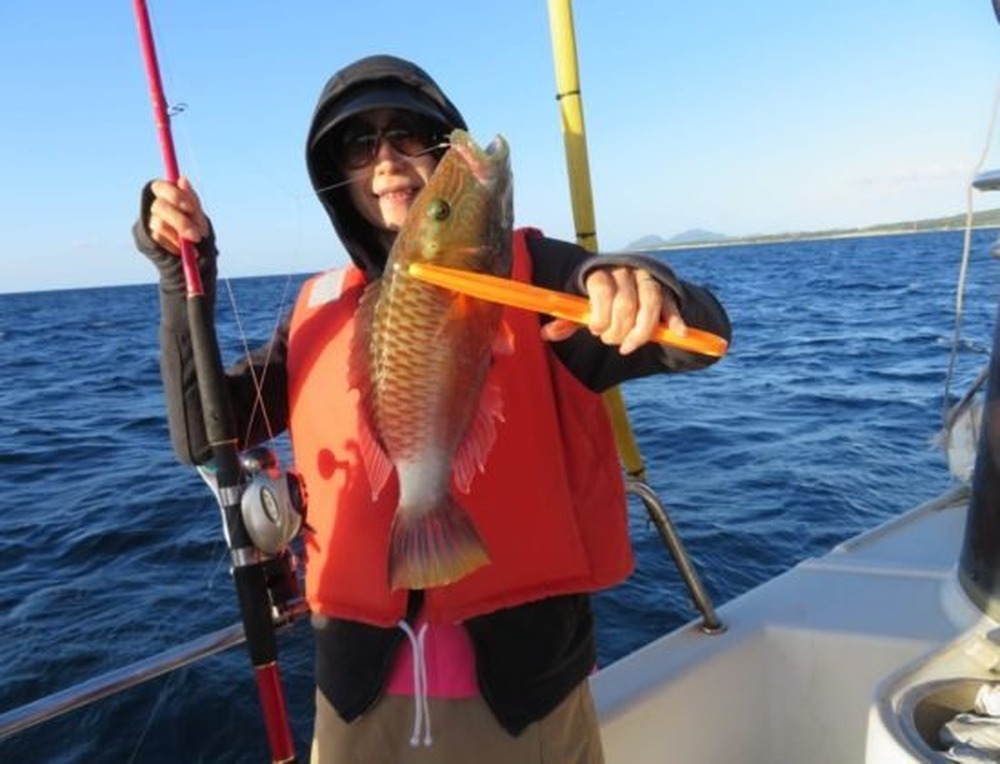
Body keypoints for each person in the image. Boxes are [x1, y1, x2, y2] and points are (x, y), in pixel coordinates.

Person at [134, 54, 730, 764]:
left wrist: (639, 287)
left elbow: (701, 338)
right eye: (359, 144)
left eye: (411, 135)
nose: (386, 159)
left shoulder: (536, 272)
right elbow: (204, 435)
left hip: (525, 705)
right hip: (353, 704)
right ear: (336, 175)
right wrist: (182, 275)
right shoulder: (316, 311)